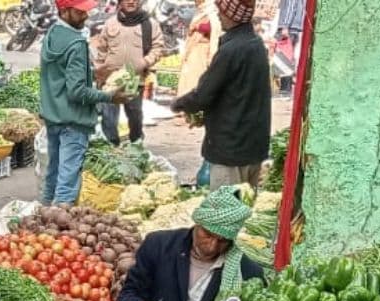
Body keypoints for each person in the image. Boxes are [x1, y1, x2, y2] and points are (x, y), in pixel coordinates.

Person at [116, 186, 264, 301]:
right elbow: (128, 294)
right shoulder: (159, 246)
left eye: (222, 241)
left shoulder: (248, 272)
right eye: (207, 234)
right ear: (197, 223)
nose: (212, 247)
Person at [171, 0, 271, 189]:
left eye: (221, 11)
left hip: (231, 150)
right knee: (242, 206)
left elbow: (203, 95)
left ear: (233, 16)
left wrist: (180, 104)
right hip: (253, 147)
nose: (217, 15)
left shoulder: (231, 50)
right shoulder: (256, 45)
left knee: (225, 212)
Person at [39, 0, 129, 205]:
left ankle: (44, 212)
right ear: (64, 11)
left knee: (53, 172)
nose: (86, 16)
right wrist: (109, 96)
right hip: (73, 120)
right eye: (80, 12)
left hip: (53, 116)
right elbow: (76, 91)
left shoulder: (52, 34)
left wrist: (91, 73)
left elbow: (61, 76)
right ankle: (60, 219)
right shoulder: (76, 43)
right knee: (67, 181)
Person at [92, 0, 165, 145]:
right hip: (110, 80)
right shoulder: (110, 23)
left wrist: (145, 62)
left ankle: (136, 144)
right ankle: (111, 147)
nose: (131, 1)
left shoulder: (150, 24)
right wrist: (99, 71)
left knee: (135, 115)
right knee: (109, 118)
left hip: (135, 80)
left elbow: (158, 48)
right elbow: (101, 49)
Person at [177, 0, 220, 97]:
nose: (196, 3)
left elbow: (212, 27)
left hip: (202, 51)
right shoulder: (200, 12)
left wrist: (197, 26)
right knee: (187, 79)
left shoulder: (211, 10)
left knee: (195, 80)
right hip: (193, 49)